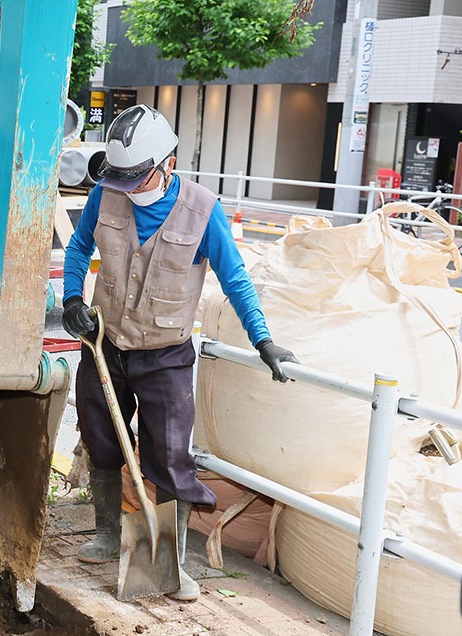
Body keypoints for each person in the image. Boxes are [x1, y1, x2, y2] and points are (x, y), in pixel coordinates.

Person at [61, 104, 298, 602]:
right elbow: (79, 249)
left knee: (169, 459)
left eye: (136, 178)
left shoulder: (203, 209)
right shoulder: (104, 196)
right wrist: (71, 300)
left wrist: (263, 339)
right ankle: (107, 534)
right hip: (104, 344)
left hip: (165, 355)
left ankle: (170, 562)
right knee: (100, 439)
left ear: (167, 161)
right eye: (119, 178)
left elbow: (235, 279)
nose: (125, 188)